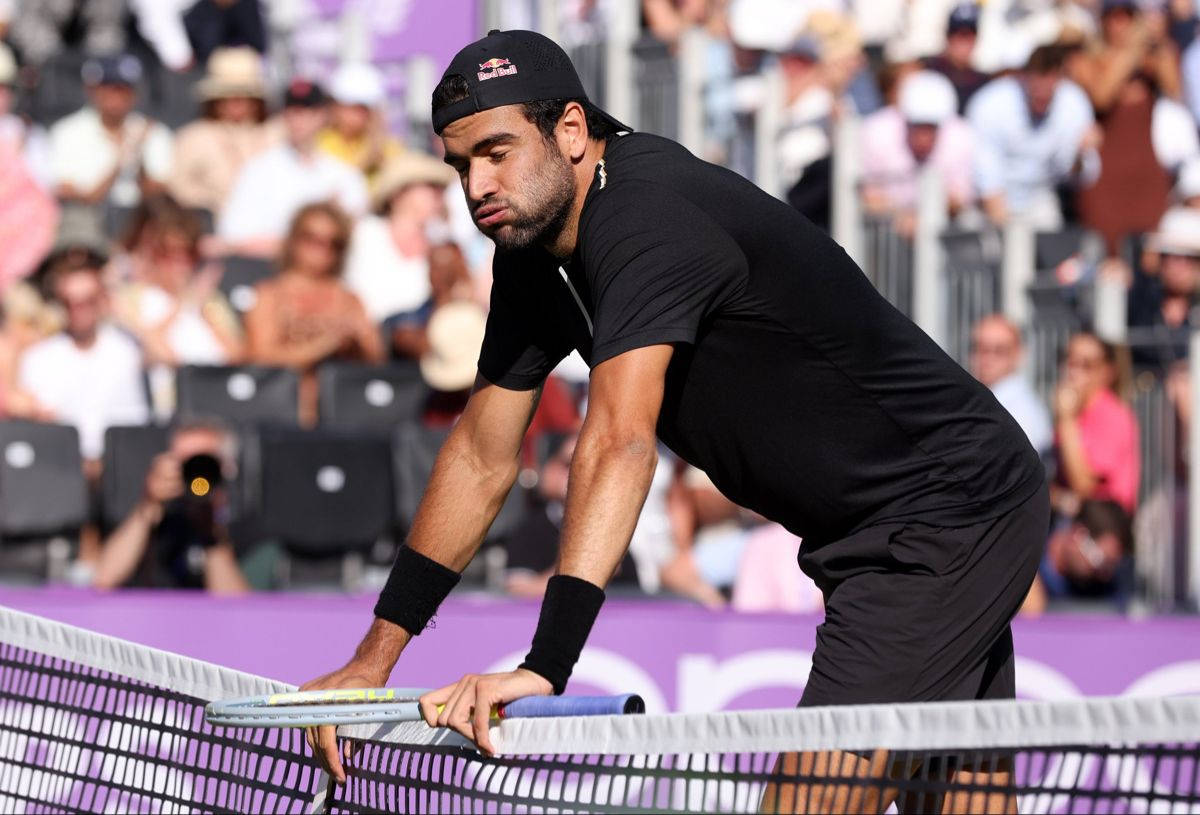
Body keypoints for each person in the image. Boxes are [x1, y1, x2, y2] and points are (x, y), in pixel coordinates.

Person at [301, 31, 1047, 810]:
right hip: (886, 526)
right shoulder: (530, 256)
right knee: (958, 797)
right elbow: (480, 457)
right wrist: (373, 656)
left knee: (809, 799)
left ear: (570, 131)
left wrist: (547, 660)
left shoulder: (646, 215)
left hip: (944, 512)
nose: (477, 184)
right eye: (460, 164)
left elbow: (620, 441)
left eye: (496, 150)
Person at [243, 202, 383, 425]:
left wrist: (355, 342)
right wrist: (324, 345)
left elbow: (375, 358)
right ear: (294, 239)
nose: (322, 250)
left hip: (341, 414)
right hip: (279, 413)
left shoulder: (349, 299)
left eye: (333, 243)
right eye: (312, 239)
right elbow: (260, 357)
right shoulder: (269, 294)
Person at [1074, 0, 1191, 256]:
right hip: (1105, 179)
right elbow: (1102, 95)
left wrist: (1157, 45)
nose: (1121, 26)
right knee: (1109, 257)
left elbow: (1175, 89)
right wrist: (1130, 51)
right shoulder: (1085, 60)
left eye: (1127, 18)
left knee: (1151, 257)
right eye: (1114, 18)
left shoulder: (1149, 61)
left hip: (1147, 175)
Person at [111, 199, 243, 417]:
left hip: (218, 406)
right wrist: (182, 306)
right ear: (151, 254)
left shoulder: (210, 301)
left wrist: (202, 311)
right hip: (168, 409)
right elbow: (155, 352)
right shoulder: (130, 299)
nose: (179, 263)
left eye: (187, 254)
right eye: (168, 253)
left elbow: (237, 357)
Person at [13, 251, 149, 462]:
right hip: (62, 466)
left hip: (121, 462)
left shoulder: (127, 351)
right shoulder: (37, 359)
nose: (79, 311)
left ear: (101, 299)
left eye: (88, 301)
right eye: (70, 302)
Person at [91, 420, 250, 593]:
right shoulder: (162, 518)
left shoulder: (245, 520)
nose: (194, 472)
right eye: (184, 462)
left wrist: (210, 531)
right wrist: (149, 504)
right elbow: (103, 580)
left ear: (228, 468)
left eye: (203, 462)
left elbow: (239, 606)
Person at [216, 79, 368, 258]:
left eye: (307, 112)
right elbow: (233, 235)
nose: (298, 120)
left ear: (323, 116)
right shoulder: (258, 170)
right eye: (292, 112)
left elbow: (356, 236)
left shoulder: (344, 175)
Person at [967, 44, 1100, 229]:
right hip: (989, 203)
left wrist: (1079, 155)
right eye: (1037, 76)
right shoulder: (990, 103)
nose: (1042, 87)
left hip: (1041, 201)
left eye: (1050, 76)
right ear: (1023, 75)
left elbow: (1080, 176)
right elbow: (985, 171)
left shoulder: (1074, 103)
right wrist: (1005, 228)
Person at [342, 151, 458, 325]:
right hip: (365, 338)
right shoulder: (364, 233)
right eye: (429, 185)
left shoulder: (441, 245)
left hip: (417, 340)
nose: (438, 194)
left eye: (440, 188)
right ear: (399, 193)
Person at [48, 55, 173, 212]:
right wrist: (119, 163)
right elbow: (69, 193)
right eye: (109, 88)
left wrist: (140, 159)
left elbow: (159, 195)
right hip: (86, 223)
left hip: (137, 222)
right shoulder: (66, 133)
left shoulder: (154, 132)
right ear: (92, 91)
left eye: (123, 89)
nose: (117, 96)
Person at [859, 70, 974, 233]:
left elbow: (959, 200)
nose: (923, 137)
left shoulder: (961, 138)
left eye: (931, 128)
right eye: (917, 126)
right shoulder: (875, 133)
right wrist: (902, 217)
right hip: (885, 235)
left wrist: (923, 218)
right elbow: (867, 197)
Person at [168, 47, 276, 214]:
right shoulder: (193, 137)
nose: (236, 101)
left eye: (244, 95)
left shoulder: (274, 135)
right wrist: (214, 205)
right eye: (228, 95)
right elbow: (178, 186)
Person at [1052, 332, 1139, 518]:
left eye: (1086, 365)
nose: (1073, 372)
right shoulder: (1076, 412)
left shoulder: (1112, 415)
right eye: (1069, 360)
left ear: (1108, 371)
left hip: (1103, 529)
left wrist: (1066, 421)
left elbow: (1084, 485)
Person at [969, 314, 1053, 459]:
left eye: (999, 350)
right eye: (980, 348)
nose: (987, 359)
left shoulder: (1020, 411)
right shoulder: (989, 399)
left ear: (1018, 353)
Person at [317, 61, 405, 192]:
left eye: (364, 109)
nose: (358, 115)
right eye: (353, 107)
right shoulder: (319, 142)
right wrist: (366, 160)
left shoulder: (387, 146)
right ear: (336, 106)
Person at [923, 3, 990, 114]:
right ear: (948, 37)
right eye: (959, 35)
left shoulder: (983, 82)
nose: (963, 43)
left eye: (969, 36)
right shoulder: (928, 70)